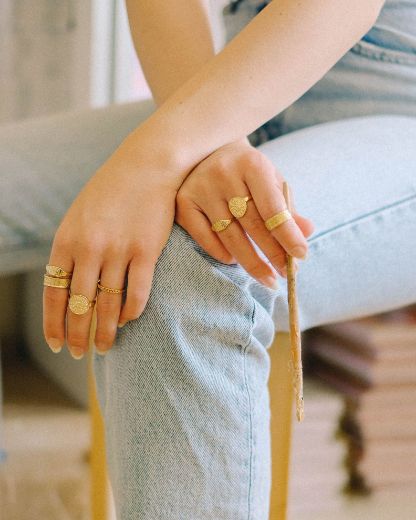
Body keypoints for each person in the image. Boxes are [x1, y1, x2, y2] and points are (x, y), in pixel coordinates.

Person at [41, 1, 416, 518]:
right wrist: (207, 148)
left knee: (192, 260)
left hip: (399, 102)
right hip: (242, 89)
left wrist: (152, 160)